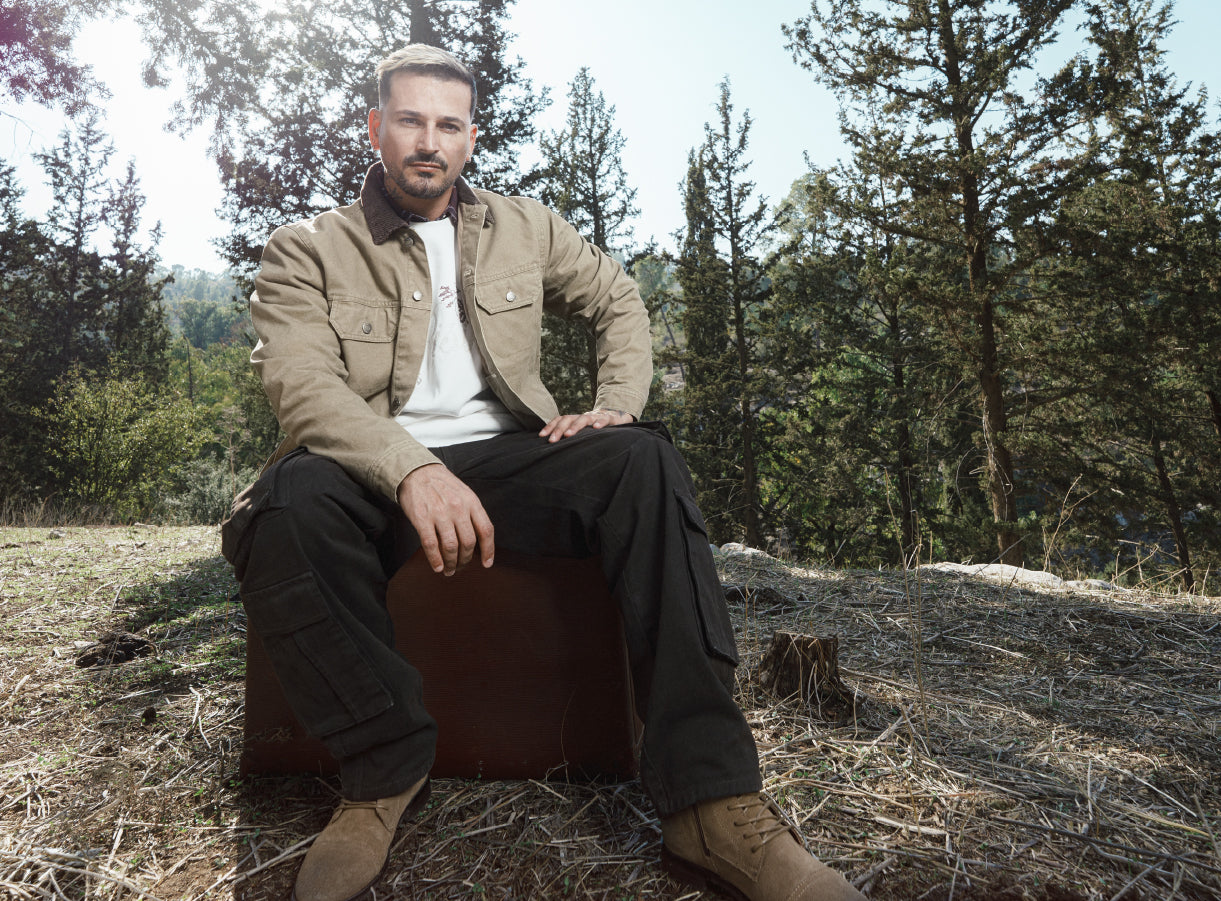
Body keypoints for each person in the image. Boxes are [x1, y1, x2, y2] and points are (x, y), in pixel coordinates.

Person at [222, 44, 866, 901]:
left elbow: (617, 299)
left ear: (470, 138)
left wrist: (616, 404)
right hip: (367, 464)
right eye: (409, 120)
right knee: (283, 503)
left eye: (448, 125)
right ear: (375, 129)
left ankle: (710, 802)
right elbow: (303, 387)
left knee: (642, 459)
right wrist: (411, 470)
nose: (428, 141)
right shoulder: (307, 248)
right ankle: (381, 773)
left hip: (507, 459)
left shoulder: (527, 228)